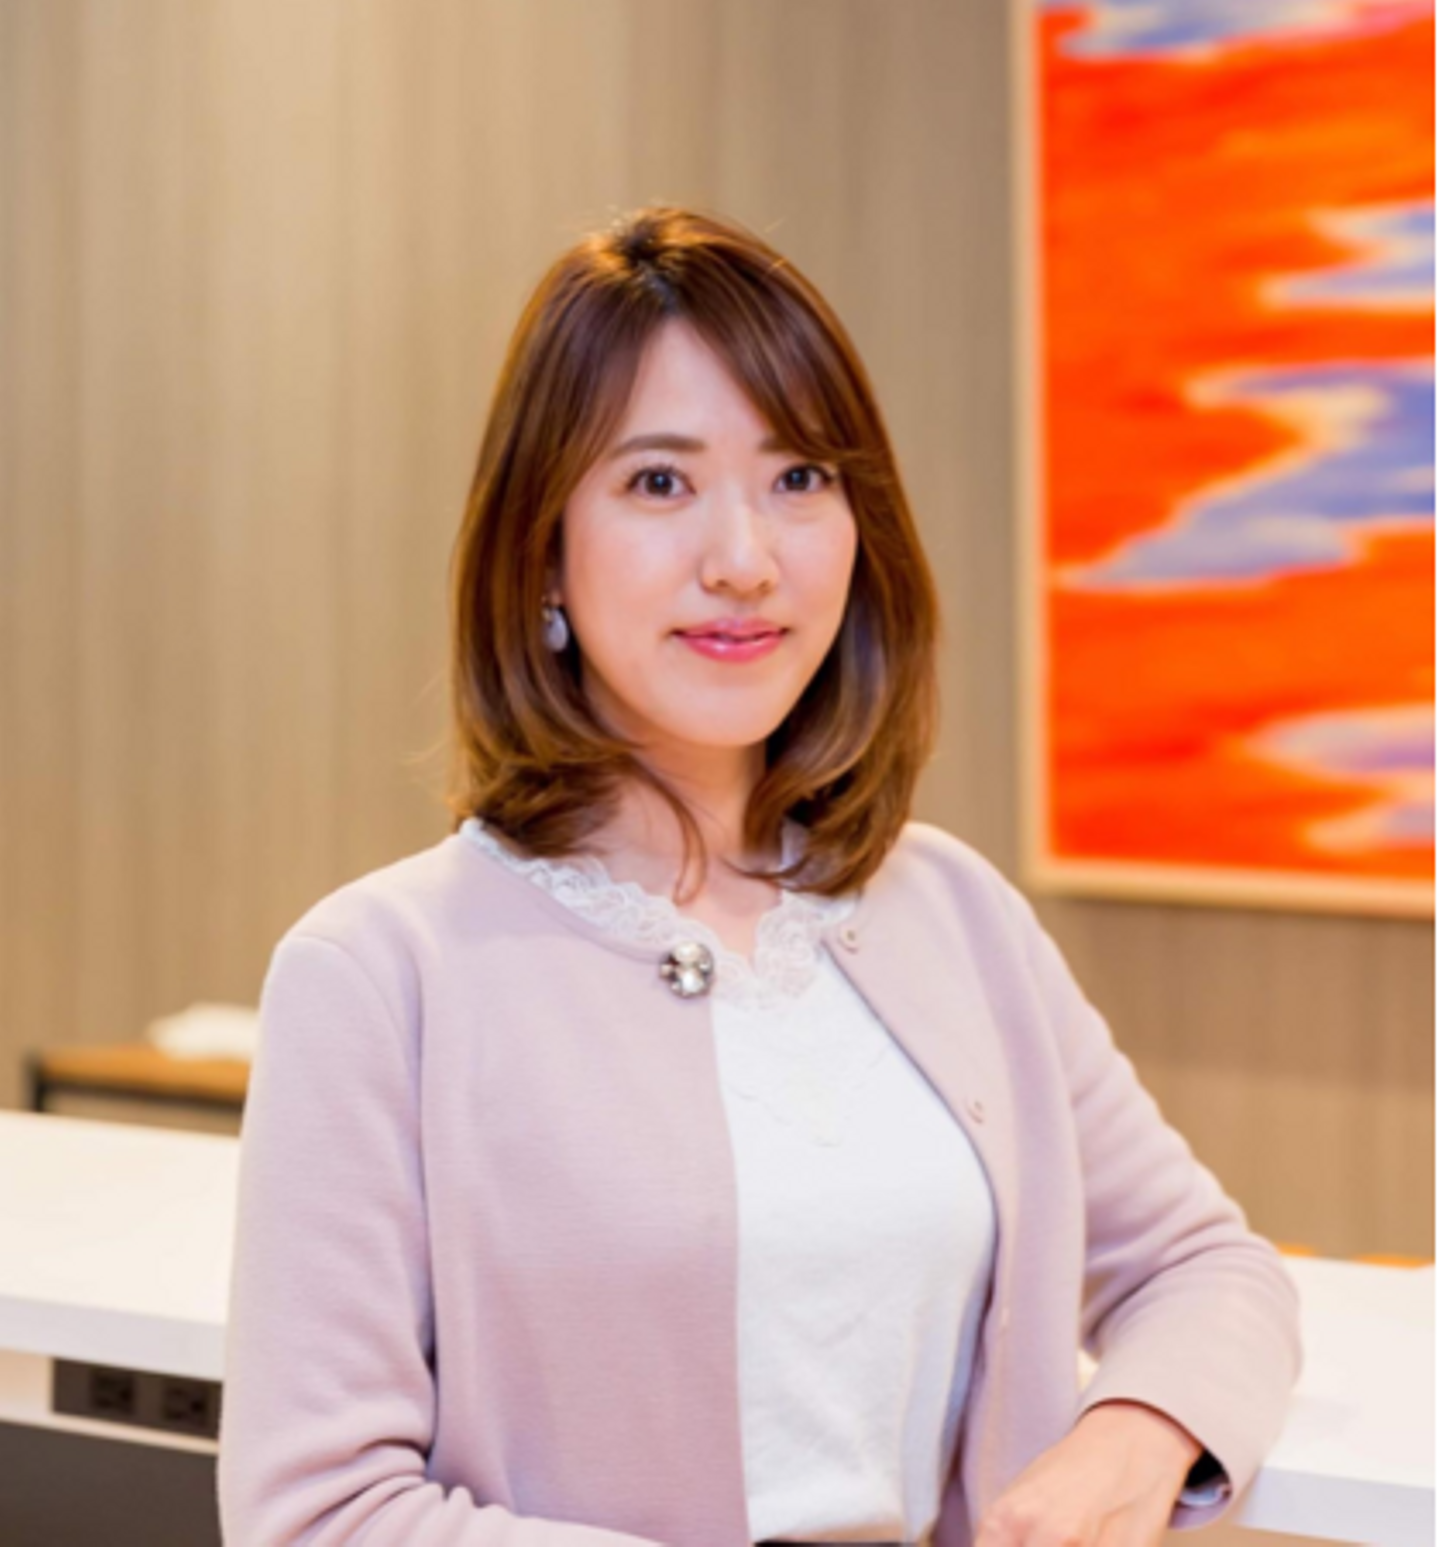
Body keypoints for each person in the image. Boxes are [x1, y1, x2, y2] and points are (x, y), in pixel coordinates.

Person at [217, 205, 1302, 1547]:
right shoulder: (379, 972)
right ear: (541, 550)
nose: (745, 561)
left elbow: (1206, 1266)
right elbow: (319, 1514)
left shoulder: (952, 912)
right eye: (658, 484)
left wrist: (1132, 1432)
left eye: (799, 478)